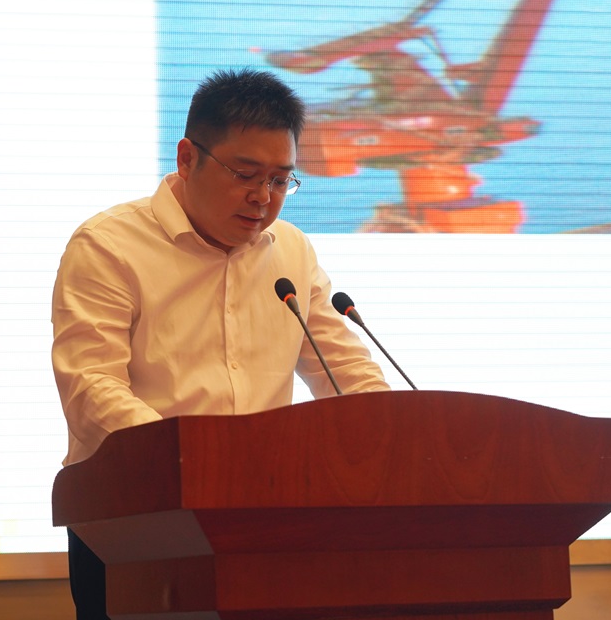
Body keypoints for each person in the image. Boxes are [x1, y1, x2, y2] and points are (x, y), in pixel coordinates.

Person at [50, 67, 390, 620]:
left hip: (262, 523)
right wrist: (197, 464)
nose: (263, 198)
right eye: (245, 174)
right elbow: (91, 388)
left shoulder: (291, 251)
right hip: (133, 524)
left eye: (280, 180)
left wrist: (396, 438)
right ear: (188, 158)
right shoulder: (108, 246)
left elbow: (345, 371)